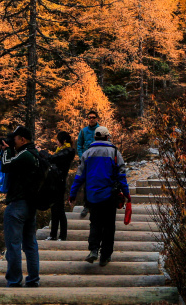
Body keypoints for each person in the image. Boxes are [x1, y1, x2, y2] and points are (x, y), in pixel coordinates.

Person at [68, 125, 130, 267]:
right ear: (107, 137)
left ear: (95, 137)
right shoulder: (114, 152)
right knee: (109, 225)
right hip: (109, 196)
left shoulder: (87, 153)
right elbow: (121, 175)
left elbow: (79, 176)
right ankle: (105, 255)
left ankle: (94, 249)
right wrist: (126, 193)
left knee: (95, 223)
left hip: (92, 196)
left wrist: (73, 193)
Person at [0, 125, 40, 287]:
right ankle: (33, 279)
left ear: (23, 139)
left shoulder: (26, 155)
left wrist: (6, 150)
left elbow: (6, 166)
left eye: (14, 139)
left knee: (13, 244)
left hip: (18, 205)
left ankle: (14, 281)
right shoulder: (34, 154)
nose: (12, 141)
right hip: (30, 205)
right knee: (30, 244)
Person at [47, 131, 76, 241]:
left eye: (58, 140)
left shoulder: (67, 151)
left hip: (60, 182)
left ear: (63, 141)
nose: (56, 142)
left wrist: (41, 152)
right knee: (54, 208)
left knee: (60, 209)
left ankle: (62, 235)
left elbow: (52, 159)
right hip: (55, 182)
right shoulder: (61, 151)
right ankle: (53, 234)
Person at [75, 111, 100, 218]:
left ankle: (97, 204)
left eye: (93, 117)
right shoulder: (83, 131)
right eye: (89, 117)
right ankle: (86, 205)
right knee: (86, 183)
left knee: (98, 182)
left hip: (98, 161)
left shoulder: (101, 130)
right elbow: (79, 145)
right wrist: (81, 157)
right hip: (86, 161)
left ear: (97, 118)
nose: (91, 119)